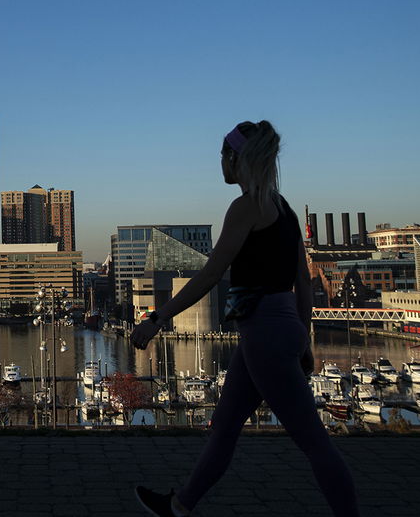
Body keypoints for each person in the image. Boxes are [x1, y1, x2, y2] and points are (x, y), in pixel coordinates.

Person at [130, 121, 359, 517]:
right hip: (277, 327)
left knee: (314, 441)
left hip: (264, 333)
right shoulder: (283, 207)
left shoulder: (246, 207)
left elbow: (210, 273)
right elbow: (303, 281)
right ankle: (181, 505)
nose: (219, 163)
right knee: (225, 424)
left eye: (222, 155)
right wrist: (303, 339)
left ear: (235, 159)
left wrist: (157, 318)